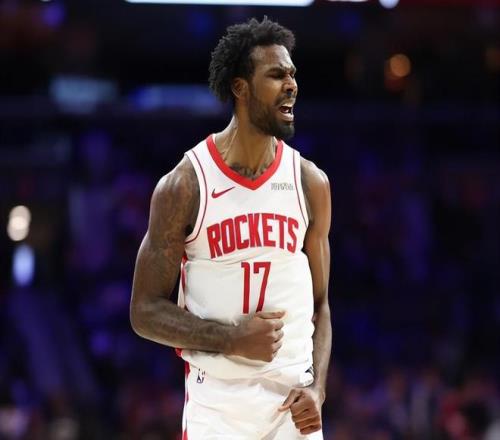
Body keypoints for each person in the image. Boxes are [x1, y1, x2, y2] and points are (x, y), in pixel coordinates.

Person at [130, 17, 332, 439]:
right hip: (218, 409)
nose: (292, 85)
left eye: (292, 74)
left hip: (292, 408)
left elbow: (320, 305)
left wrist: (318, 389)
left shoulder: (310, 182)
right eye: (276, 75)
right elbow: (144, 311)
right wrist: (231, 339)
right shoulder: (186, 184)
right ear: (241, 88)